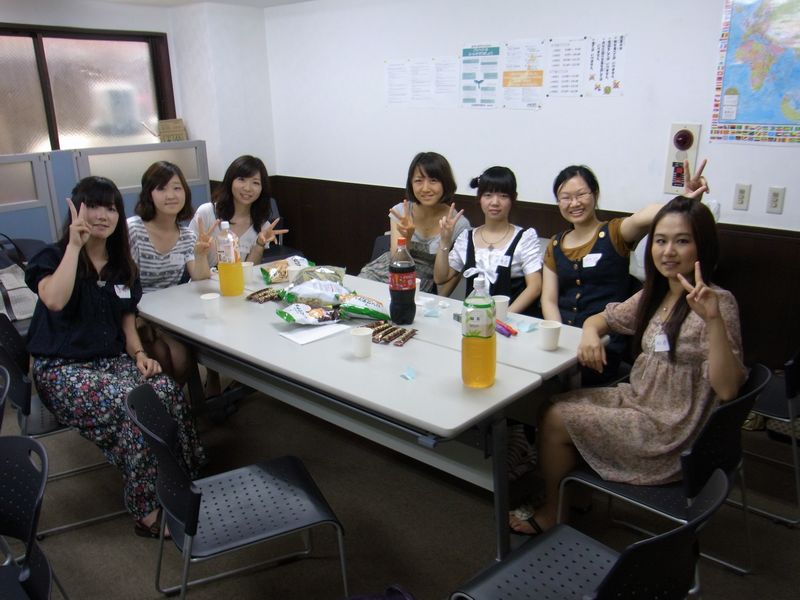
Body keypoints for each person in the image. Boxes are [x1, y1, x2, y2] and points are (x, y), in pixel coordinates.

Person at [509, 196, 746, 536]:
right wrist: (590, 333)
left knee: (556, 418)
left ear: (702, 247)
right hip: (638, 400)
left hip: (670, 429)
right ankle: (573, 496)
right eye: (660, 241)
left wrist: (713, 321)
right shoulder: (656, 293)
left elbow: (728, 388)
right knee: (550, 406)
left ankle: (553, 512)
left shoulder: (718, 302)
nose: (668, 251)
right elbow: (600, 319)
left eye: (682, 241)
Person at [25, 176, 205, 537]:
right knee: (135, 406)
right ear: (77, 211)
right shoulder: (53, 256)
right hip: (61, 367)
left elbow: (126, 322)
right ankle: (146, 509)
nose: (102, 215)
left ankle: (184, 480)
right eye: (93, 206)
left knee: (167, 390)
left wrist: (139, 354)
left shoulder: (122, 266)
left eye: (110, 208)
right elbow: (55, 300)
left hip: (110, 361)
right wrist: (74, 247)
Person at [540, 159, 708, 383]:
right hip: (562, 341)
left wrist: (683, 201)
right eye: (565, 198)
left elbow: (645, 215)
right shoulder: (555, 244)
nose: (574, 203)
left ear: (595, 194)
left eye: (581, 194)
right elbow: (549, 299)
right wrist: (560, 335)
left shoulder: (615, 232)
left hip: (604, 341)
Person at [189, 155, 287, 397]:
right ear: (230, 181)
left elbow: (248, 268)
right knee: (214, 327)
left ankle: (245, 374)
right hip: (205, 288)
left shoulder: (260, 222)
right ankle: (212, 374)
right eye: (242, 179)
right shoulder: (208, 213)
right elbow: (196, 269)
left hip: (235, 286)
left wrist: (260, 243)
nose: (248, 188)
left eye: (255, 182)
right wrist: (201, 251)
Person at [128, 161, 216, 385]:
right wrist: (138, 317)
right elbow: (122, 284)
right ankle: (164, 400)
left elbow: (199, 277)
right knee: (163, 357)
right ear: (149, 194)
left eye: (177, 188)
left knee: (180, 358)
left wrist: (200, 254)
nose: (171, 195)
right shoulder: (133, 230)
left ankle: (170, 400)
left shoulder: (186, 236)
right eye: (161, 188)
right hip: (135, 314)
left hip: (167, 315)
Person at [433, 166, 542, 313]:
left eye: (503, 195)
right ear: (480, 198)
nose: (495, 202)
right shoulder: (467, 238)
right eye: (488, 195)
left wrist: (502, 317)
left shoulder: (525, 238)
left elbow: (535, 287)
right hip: (473, 319)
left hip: (512, 320)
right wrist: (445, 241)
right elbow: (440, 278)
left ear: (513, 198)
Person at [359, 151, 470, 296]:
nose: (425, 188)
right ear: (411, 184)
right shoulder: (401, 212)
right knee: (354, 299)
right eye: (418, 181)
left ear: (445, 183)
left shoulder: (457, 223)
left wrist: (440, 299)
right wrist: (407, 237)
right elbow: (396, 262)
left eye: (433, 180)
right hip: (385, 271)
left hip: (419, 283)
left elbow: (451, 275)